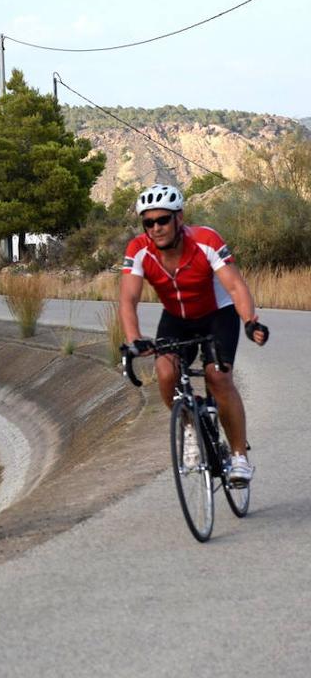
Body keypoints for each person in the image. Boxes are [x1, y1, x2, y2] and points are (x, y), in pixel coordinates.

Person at [119, 183, 269, 486]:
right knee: (164, 373)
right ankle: (189, 426)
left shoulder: (206, 240)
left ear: (179, 217)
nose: (156, 228)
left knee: (218, 377)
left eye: (163, 220)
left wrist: (250, 321)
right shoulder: (138, 249)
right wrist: (134, 339)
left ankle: (239, 456)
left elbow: (236, 287)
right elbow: (128, 300)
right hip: (176, 318)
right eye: (149, 222)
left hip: (218, 315)